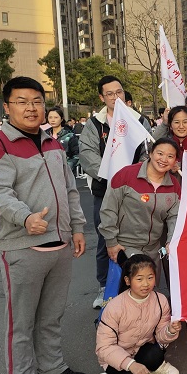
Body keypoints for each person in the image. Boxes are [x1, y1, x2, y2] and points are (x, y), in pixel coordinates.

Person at [0, 76, 89, 374]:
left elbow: (70, 190)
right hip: (21, 246)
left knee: (52, 315)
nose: (31, 108)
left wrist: (77, 227)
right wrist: (25, 218)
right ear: (7, 106)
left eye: (37, 101)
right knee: (22, 322)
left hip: (60, 244)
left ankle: (51, 369)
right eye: (22, 101)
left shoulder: (52, 142)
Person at [79, 75, 152, 309]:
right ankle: (105, 287)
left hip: (135, 189)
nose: (115, 97)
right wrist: (112, 174)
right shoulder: (94, 125)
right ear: (102, 97)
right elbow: (87, 155)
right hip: (105, 190)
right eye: (109, 94)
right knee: (106, 238)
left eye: (118, 92)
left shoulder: (139, 120)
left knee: (138, 236)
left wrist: (131, 175)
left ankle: (142, 285)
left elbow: (147, 151)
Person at [79, 254, 181, 374]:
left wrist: (170, 330)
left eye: (150, 277)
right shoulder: (114, 307)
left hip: (141, 348)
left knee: (157, 354)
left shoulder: (160, 300)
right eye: (139, 279)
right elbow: (104, 347)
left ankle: (153, 367)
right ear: (127, 280)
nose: (146, 284)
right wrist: (130, 364)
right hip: (116, 357)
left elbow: (160, 337)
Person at [99, 137, 180, 295]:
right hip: (126, 247)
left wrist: (171, 240)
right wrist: (111, 241)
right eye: (160, 153)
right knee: (130, 295)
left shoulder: (174, 185)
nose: (164, 159)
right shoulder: (126, 175)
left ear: (175, 161)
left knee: (150, 293)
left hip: (153, 249)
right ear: (151, 153)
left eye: (170, 156)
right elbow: (109, 209)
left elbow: (174, 217)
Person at [45, 107, 80, 175]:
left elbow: (77, 155)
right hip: (48, 174)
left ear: (61, 119)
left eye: (56, 117)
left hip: (66, 173)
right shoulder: (44, 135)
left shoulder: (69, 136)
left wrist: (66, 167)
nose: (53, 120)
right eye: (50, 117)